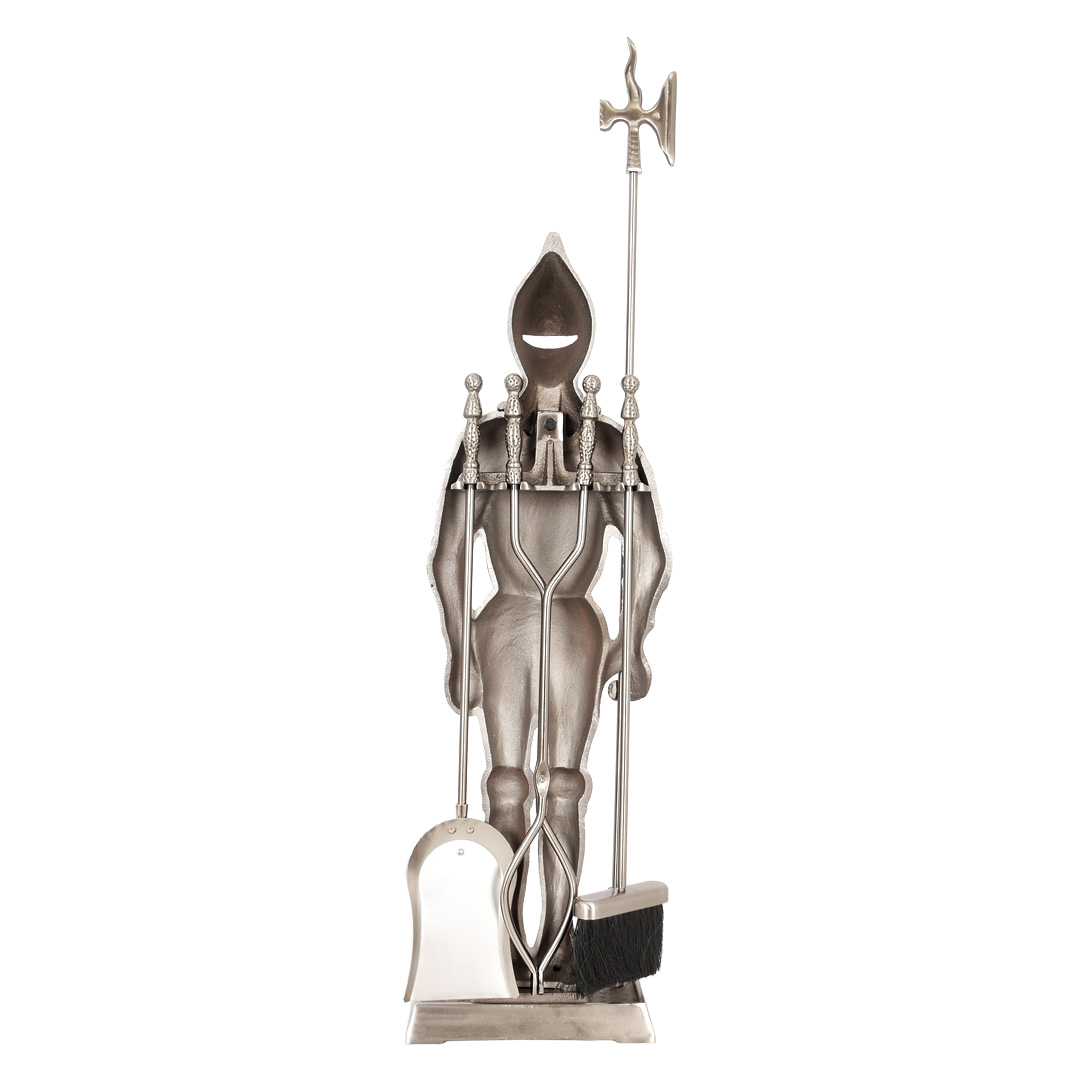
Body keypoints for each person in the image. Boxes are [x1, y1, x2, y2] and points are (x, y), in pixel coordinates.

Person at [430, 233, 669, 985]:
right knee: (527, 783)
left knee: (543, 784)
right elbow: (449, 555)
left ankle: (544, 949)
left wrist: (632, 644)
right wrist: (461, 649)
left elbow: (646, 555)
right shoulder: (529, 442)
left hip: (548, 620)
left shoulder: (577, 443)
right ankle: (525, 950)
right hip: (527, 619)